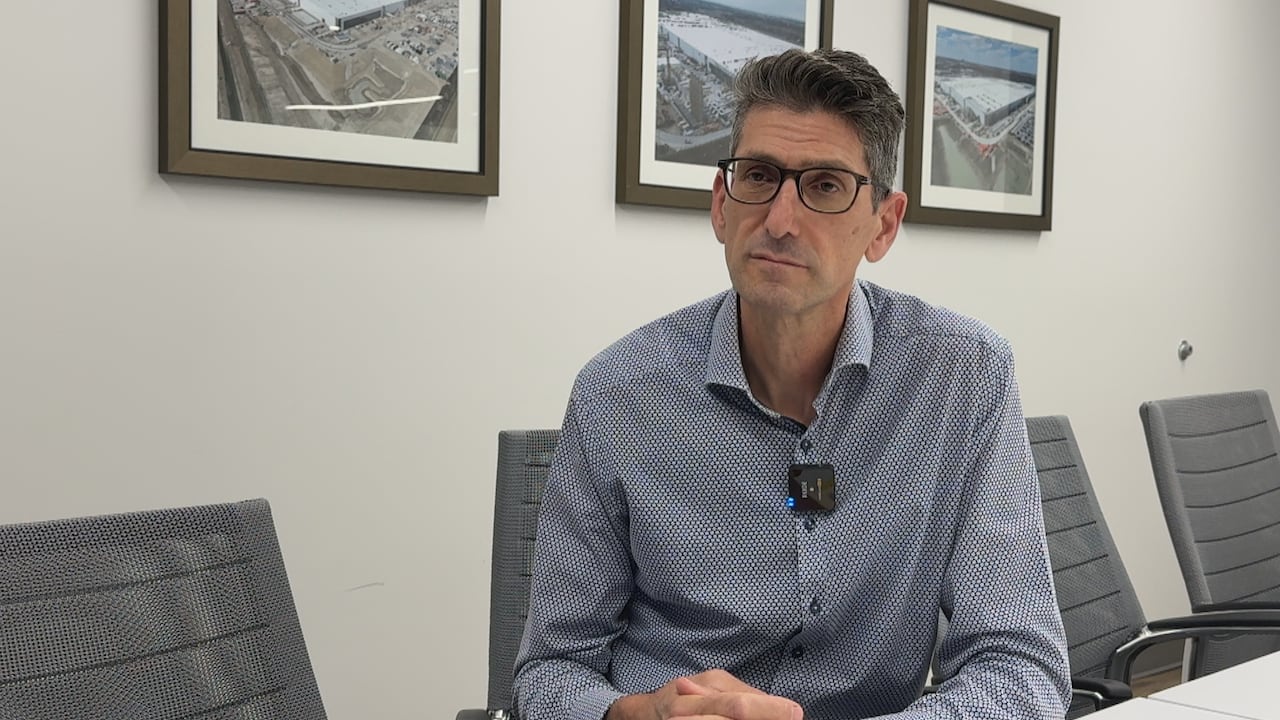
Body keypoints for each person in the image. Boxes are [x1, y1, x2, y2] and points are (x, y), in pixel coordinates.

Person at [513, 48, 1070, 720]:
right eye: (758, 176)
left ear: (883, 226)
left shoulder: (962, 377)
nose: (779, 219)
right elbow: (548, 673)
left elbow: (1021, 667)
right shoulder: (617, 397)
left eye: (826, 186)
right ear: (721, 206)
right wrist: (632, 714)